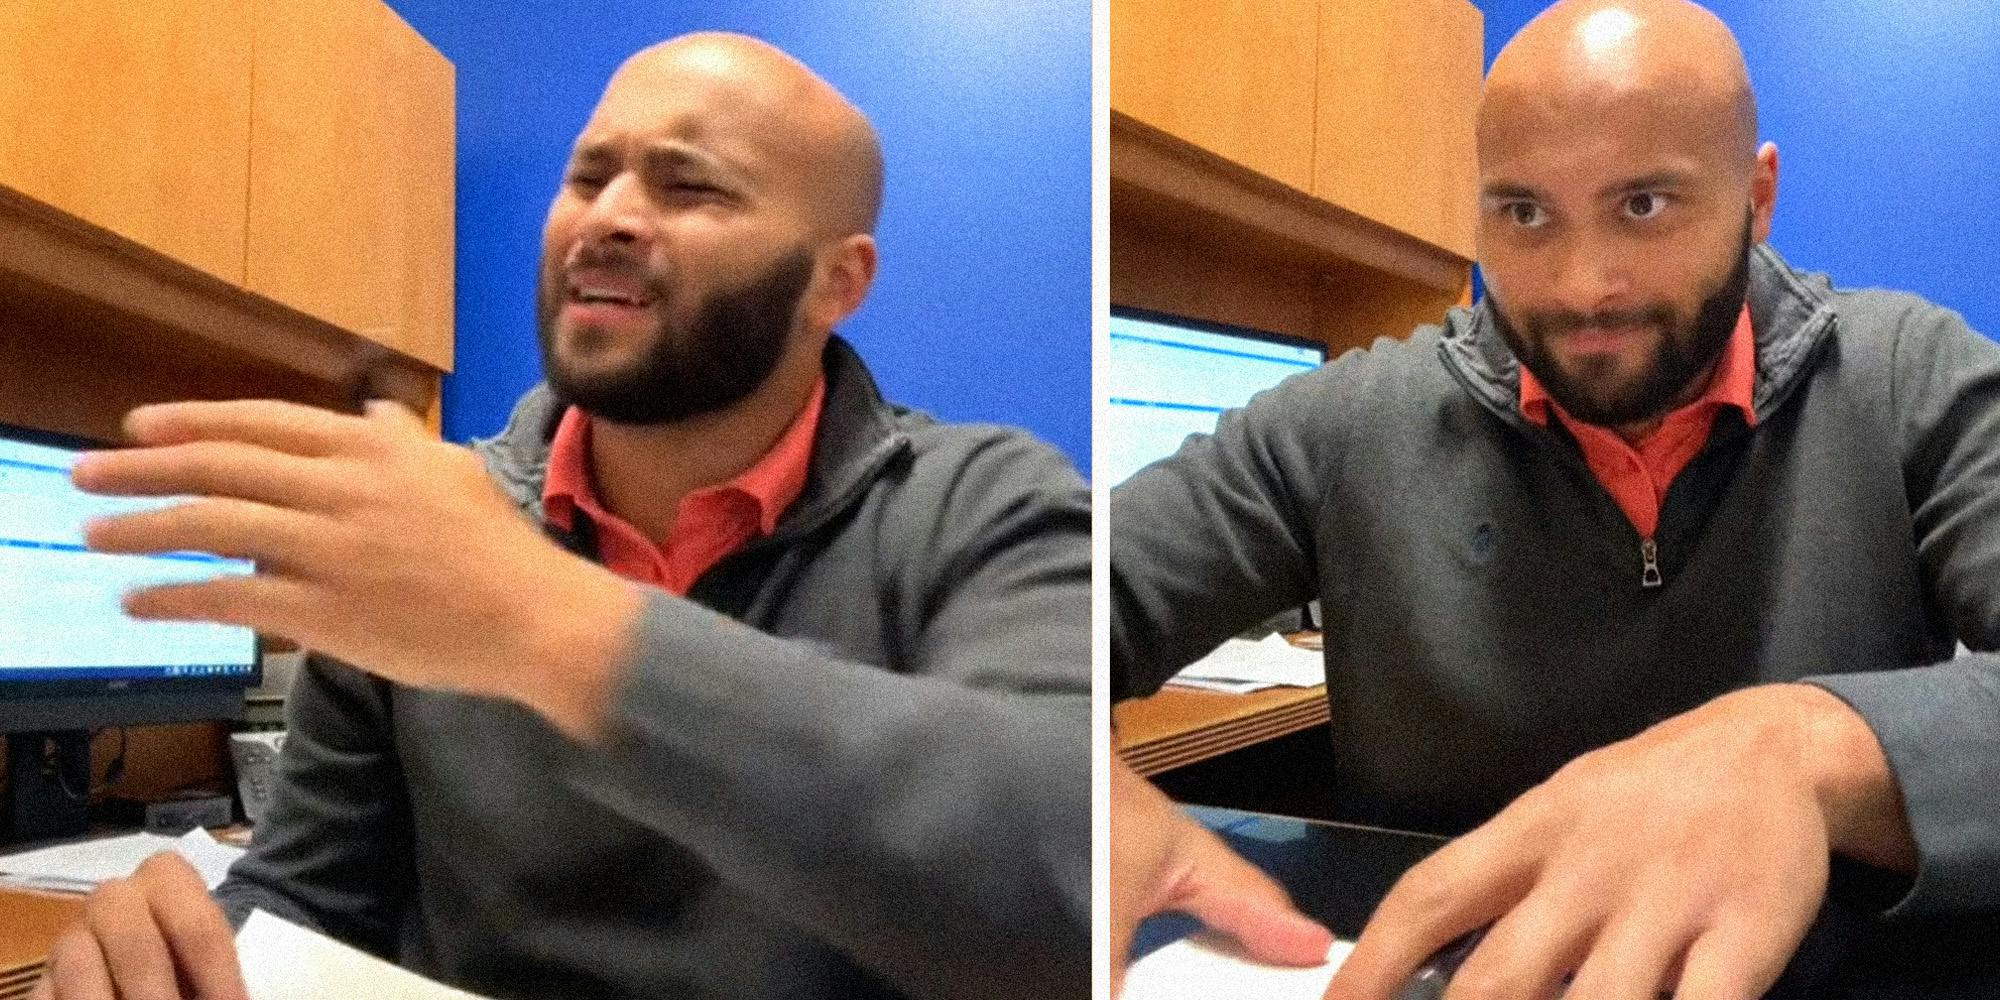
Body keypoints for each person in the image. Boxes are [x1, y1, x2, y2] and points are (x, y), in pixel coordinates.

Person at [39, 33, 1089, 1000]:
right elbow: (315, 897)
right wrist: (169, 963)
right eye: (588, 177)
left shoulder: (982, 505)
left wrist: (541, 621)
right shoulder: (427, 528)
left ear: (835, 281)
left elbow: (1063, 875)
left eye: (690, 186)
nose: (608, 217)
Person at [1110, 1, 2000, 997]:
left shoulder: (1911, 379)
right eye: (1523, 213)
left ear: (1756, 198)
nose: (1580, 286)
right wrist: (1066, 783)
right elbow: (1053, 597)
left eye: (1642, 205)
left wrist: (1805, 750)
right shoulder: (1339, 427)